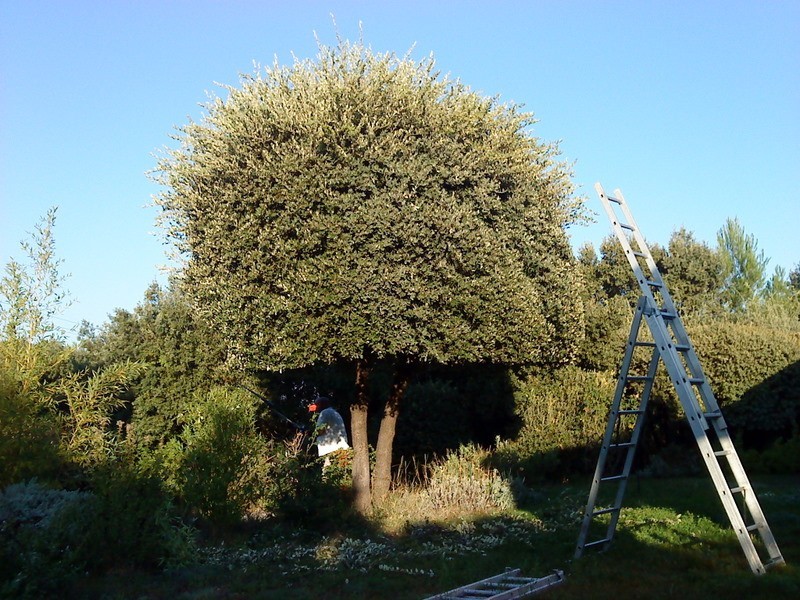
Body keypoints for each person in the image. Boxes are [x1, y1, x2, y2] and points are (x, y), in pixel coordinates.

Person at [307, 396, 349, 466]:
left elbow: (320, 430)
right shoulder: (335, 413)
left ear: (320, 404)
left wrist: (310, 433)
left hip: (331, 449)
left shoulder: (324, 413)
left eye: (317, 405)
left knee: (328, 471)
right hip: (340, 448)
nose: (316, 408)